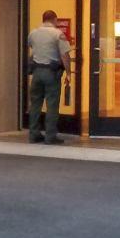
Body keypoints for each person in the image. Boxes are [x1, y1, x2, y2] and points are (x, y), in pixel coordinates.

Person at [28, 9, 72, 144]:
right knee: (52, 105)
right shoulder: (58, 34)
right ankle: (50, 136)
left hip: (36, 73)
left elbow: (32, 47)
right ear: (54, 20)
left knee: (35, 104)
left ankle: (34, 134)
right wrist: (69, 73)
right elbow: (65, 55)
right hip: (51, 73)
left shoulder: (33, 33)